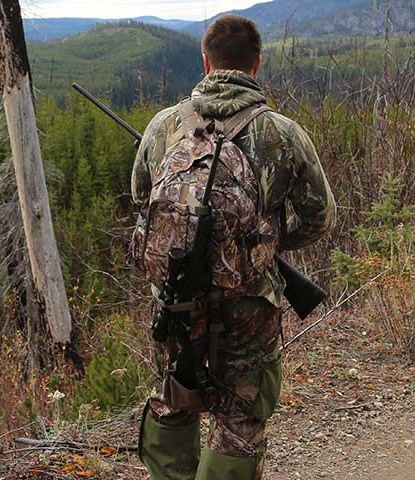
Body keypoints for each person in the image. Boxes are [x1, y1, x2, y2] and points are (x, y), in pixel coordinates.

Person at [131, 13, 336, 480]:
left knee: (174, 396)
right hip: (249, 299)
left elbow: (142, 198)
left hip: (177, 296)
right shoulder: (281, 133)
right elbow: (320, 216)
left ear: (206, 63)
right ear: (256, 65)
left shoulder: (165, 125)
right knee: (241, 415)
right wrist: (267, 243)